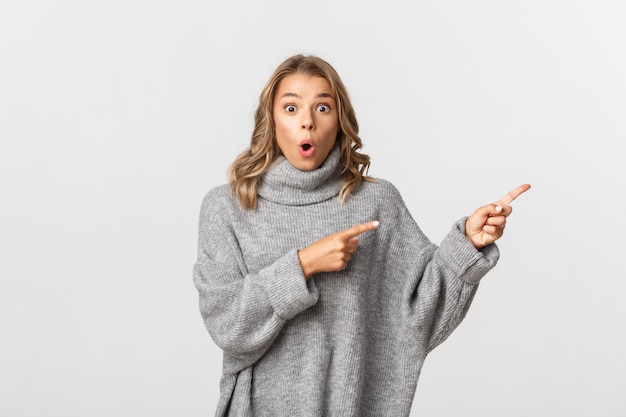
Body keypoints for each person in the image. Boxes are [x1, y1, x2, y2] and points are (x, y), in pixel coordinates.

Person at [193, 54, 530, 417]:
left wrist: (467, 243)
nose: (306, 122)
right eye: (291, 108)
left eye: (322, 107)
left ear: (339, 121)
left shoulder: (375, 201)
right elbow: (227, 324)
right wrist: (304, 265)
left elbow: (420, 312)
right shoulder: (226, 206)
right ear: (271, 120)